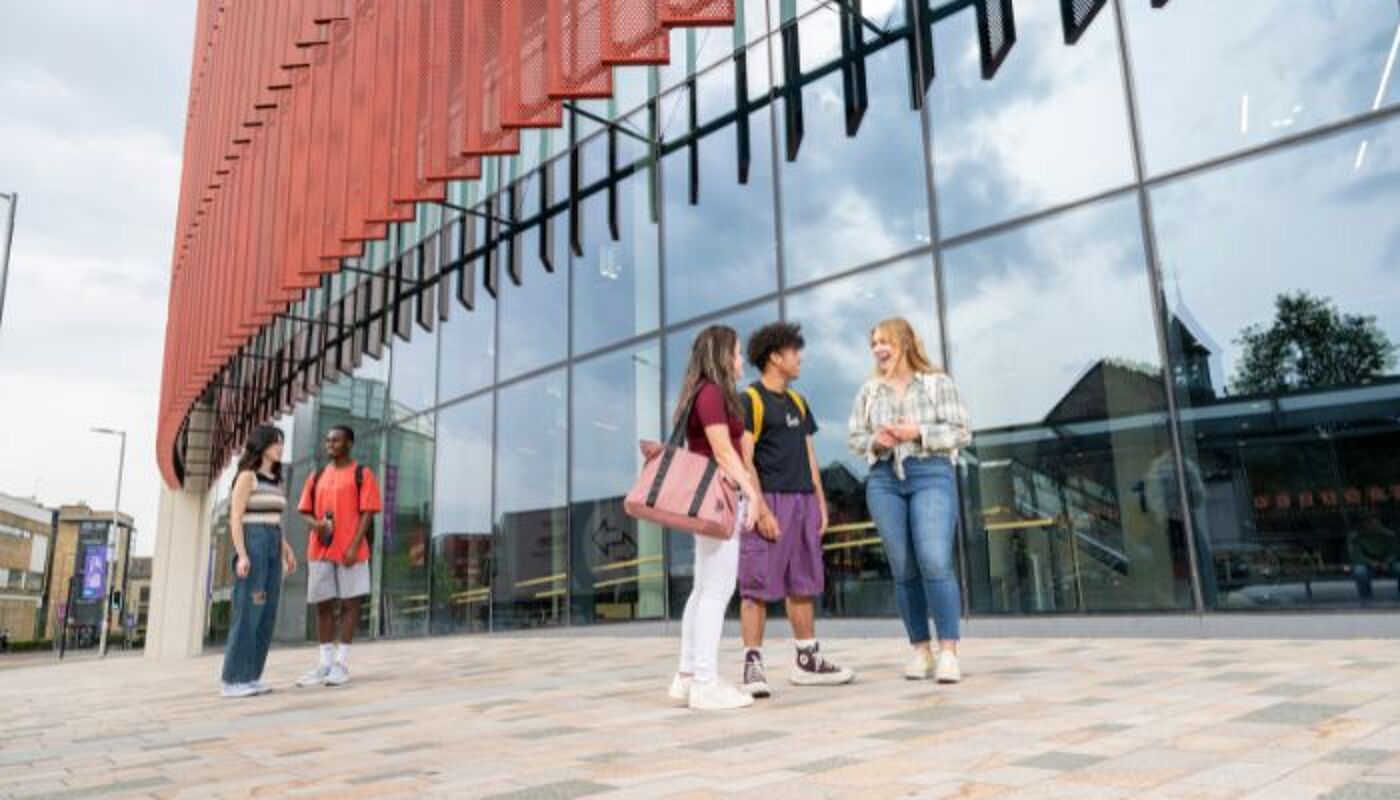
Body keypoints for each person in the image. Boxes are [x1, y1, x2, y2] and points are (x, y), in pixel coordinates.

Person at [848, 318, 971, 684]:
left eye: (883, 341)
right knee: (904, 568)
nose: (877, 349)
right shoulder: (870, 390)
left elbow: (962, 430)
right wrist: (877, 442)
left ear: (904, 342)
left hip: (930, 473)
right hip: (884, 479)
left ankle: (948, 652)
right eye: (873, 344)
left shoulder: (937, 383)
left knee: (934, 559)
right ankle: (921, 651)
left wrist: (917, 432)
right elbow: (855, 437)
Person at [737, 322, 854, 697]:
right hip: (768, 500)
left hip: (803, 500)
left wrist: (820, 500)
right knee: (756, 585)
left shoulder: (799, 402)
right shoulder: (750, 400)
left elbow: (808, 454)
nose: (799, 357)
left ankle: (808, 660)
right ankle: (752, 664)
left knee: (803, 583)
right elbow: (745, 458)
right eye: (794, 351)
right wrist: (761, 508)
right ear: (775, 356)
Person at [668, 325, 764, 711]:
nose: (742, 362)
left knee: (703, 588)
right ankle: (705, 682)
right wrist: (753, 494)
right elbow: (724, 451)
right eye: (738, 353)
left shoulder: (701, 391)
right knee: (716, 590)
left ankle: (688, 676)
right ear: (724, 356)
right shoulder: (711, 392)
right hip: (719, 499)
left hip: (710, 499)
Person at [296, 425, 382, 688]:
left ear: (349, 444)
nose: (330, 444)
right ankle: (324, 664)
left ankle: (341, 664)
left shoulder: (362, 474)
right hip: (320, 550)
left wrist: (355, 546)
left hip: (351, 551)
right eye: (328, 440)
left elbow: (368, 512)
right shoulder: (317, 475)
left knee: (350, 605)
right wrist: (317, 525)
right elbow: (304, 511)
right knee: (323, 605)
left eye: (336, 440)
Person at [221, 425, 298, 698]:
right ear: (262, 445)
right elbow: (235, 518)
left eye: (282, 443)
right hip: (253, 543)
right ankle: (233, 680)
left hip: (272, 542)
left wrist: (286, 549)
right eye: (276, 443)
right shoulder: (247, 477)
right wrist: (242, 554)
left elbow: (274, 519)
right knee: (249, 610)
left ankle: (251, 676)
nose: (280, 447)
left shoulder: (275, 480)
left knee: (266, 613)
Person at [1348, 510, 1399, 603]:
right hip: (1368, 566)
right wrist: (1370, 562)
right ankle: (1366, 598)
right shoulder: (1355, 537)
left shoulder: (1389, 535)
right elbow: (1356, 556)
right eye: (1367, 522)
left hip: (1387, 564)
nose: (1371, 524)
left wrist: (1387, 562)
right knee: (1359, 571)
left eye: (1373, 521)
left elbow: (1394, 553)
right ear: (1363, 524)